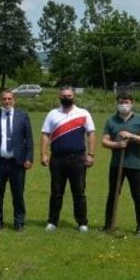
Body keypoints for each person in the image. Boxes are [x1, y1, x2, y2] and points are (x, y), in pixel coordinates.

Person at [40, 86, 96, 232]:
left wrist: (90, 154)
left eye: (69, 95)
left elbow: (91, 134)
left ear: (74, 97)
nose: (66, 97)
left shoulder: (83, 113)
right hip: (57, 159)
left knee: (79, 192)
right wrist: (43, 154)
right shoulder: (52, 114)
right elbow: (46, 134)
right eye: (64, 95)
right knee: (56, 192)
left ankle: (82, 223)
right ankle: (52, 221)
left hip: (77, 159)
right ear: (59, 96)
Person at [0, 90, 34, 230]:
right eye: (4, 99)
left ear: (14, 100)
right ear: (1, 101)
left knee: (18, 194)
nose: (7, 101)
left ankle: (19, 222)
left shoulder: (23, 116)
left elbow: (29, 139)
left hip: (17, 162)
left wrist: (29, 158)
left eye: (9, 99)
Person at [101, 92, 140, 234]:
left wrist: (131, 136)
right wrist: (117, 145)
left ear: (132, 103)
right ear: (117, 103)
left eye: (127, 102)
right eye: (121, 102)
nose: (124, 105)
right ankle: (108, 225)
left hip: (134, 165)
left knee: (137, 195)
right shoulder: (111, 120)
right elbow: (104, 141)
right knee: (113, 195)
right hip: (116, 165)